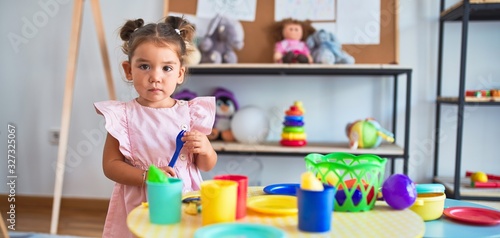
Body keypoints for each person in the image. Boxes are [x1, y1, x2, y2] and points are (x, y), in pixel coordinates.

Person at [94, 16, 217, 237]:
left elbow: (205, 166)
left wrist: (206, 149)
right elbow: (110, 165)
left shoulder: (191, 113)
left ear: (180, 73)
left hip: (184, 198)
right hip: (140, 202)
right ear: (128, 70)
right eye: (144, 66)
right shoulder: (122, 116)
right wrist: (146, 176)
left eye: (167, 68)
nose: (155, 77)